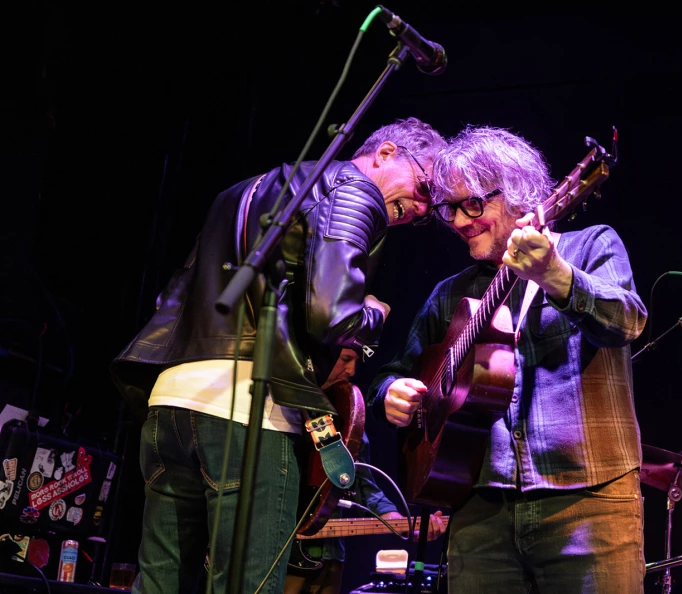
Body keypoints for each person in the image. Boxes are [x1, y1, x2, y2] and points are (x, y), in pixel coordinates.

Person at [109, 117, 447, 594]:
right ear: (386, 152)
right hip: (250, 413)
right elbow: (331, 315)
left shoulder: (243, 189)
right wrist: (373, 313)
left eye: (432, 205)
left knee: (159, 586)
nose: (422, 207)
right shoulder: (356, 189)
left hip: (169, 403)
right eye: (425, 186)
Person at [367, 125, 648, 593]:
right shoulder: (449, 294)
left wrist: (558, 278)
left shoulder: (590, 246)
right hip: (478, 511)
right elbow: (393, 374)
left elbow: (628, 322)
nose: (458, 221)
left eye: (473, 204)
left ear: (518, 194)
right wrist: (388, 395)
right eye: (449, 209)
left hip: (587, 500)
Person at [284, 348, 446, 594]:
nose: (352, 370)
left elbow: (363, 485)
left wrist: (395, 519)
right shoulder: (284, 406)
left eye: (356, 362)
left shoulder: (346, 416)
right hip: (284, 555)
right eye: (345, 360)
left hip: (331, 555)